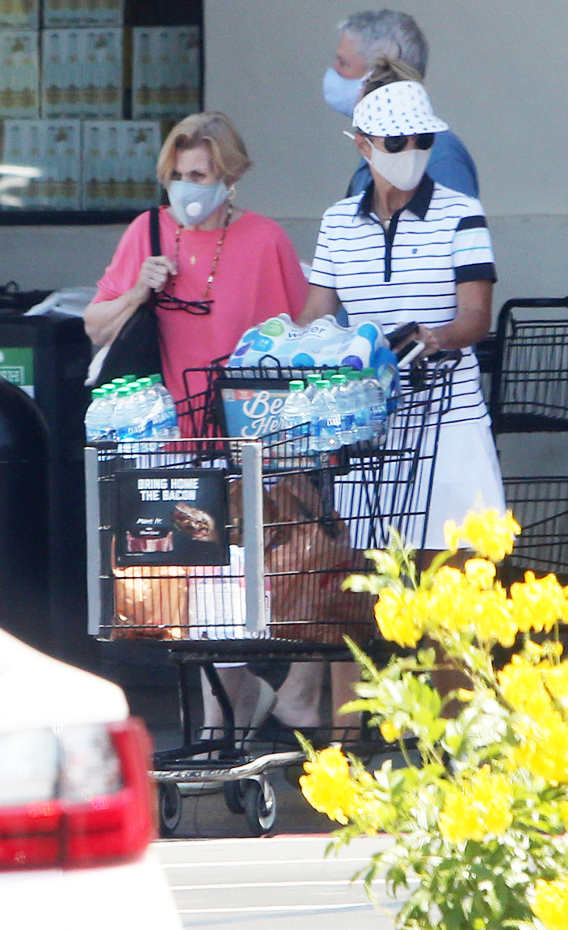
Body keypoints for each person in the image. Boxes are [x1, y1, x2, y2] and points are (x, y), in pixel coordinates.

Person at [83, 111, 309, 737]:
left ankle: (217, 730)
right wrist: (138, 290)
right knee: (186, 596)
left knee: (227, 592)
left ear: (230, 178)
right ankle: (233, 713)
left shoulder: (264, 240)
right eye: (178, 175)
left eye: (201, 175)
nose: (188, 188)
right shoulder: (148, 233)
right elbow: (94, 326)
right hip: (165, 442)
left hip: (240, 439)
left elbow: (297, 335)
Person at [297, 62, 505, 721]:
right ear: (362, 144)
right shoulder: (338, 222)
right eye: (396, 142)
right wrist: (290, 348)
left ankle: (464, 748)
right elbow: (316, 313)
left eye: (423, 140)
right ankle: (349, 747)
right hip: (368, 428)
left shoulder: (462, 214)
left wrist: (433, 337)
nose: (412, 152)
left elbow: (477, 315)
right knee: (355, 598)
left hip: (448, 423)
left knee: (454, 600)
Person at [323, 9, 480, 199]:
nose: (334, 71)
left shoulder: (438, 158)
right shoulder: (378, 143)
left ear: (380, 72)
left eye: (344, 63)